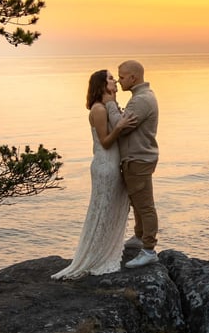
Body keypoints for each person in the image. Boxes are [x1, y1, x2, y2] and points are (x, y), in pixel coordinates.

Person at [52, 69, 137, 279]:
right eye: (110, 78)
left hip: (110, 165)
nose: (115, 80)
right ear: (101, 85)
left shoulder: (108, 106)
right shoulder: (99, 110)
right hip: (105, 166)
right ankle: (95, 256)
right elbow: (105, 142)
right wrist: (120, 127)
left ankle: (104, 249)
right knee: (102, 211)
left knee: (109, 210)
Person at [117, 59, 160, 268]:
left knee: (145, 205)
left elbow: (122, 127)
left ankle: (149, 249)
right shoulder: (142, 96)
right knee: (137, 201)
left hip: (138, 158)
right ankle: (139, 236)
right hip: (140, 157)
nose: (118, 81)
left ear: (133, 78)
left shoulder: (140, 100)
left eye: (122, 77)